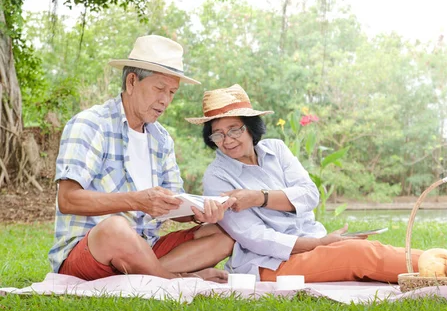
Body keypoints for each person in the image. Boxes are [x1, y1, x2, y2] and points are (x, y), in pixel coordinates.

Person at [185, 84, 422, 283]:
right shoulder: (216, 176)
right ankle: (446, 267)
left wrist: (260, 197)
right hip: (269, 264)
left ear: (251, 126)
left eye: (234, 129)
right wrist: (318, 243)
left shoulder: (276, 149)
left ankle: (446, 261)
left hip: (312, 243)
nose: (227, 140)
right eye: (218, 134)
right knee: (358, 254)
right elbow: (254, 237)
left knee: (369, 250)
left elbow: (310, 195)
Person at [49, 35, 235, 282]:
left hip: (146, 248)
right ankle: (176, 281)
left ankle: (151, 275)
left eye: (171, 92)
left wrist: (198, 213)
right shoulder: (91, 124)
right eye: (159, 89)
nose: (165, 100)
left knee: (224, 234)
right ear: (132, 81)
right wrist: (136, 201)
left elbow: (175, 205)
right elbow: (68, 200)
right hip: (93, 252)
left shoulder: (161, 138)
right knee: (115, 229)